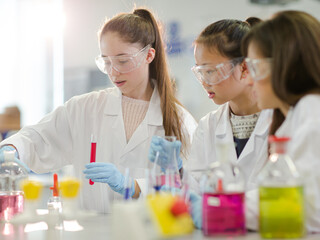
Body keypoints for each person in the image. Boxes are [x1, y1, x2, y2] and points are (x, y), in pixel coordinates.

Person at [0, 8, 197, 213]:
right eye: (107, 62)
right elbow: (39, 138)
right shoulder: (85, 108)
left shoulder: (179, 120)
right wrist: (12, 149)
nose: (113, 72)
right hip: (90, 231)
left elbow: (192, 187)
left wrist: (135, 185)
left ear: (149, 55)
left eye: (122, 61)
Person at [149, 18, 272, 228]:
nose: (205, 81)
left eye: (211, 71)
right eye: (200, 72)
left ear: (244, 68)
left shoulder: (280, 121)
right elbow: (194, 194)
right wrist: (176, 171)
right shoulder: (208, 126)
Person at [243, 10, 320, 232]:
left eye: (255, 68)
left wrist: (229, 209)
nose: (249, 80)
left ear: (289, 66)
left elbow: (307, 209)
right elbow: (278, 190)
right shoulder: (298, 115)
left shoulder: (315, 110)